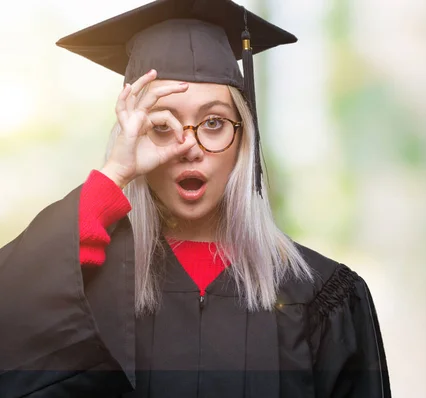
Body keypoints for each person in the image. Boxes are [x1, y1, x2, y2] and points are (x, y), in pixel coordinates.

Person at [0, 0, 391, 397]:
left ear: (243, 141)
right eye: (162, 126)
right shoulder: (89, 290)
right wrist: (114, 176)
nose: (189, 146)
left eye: (214, 122)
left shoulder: (321, 297)